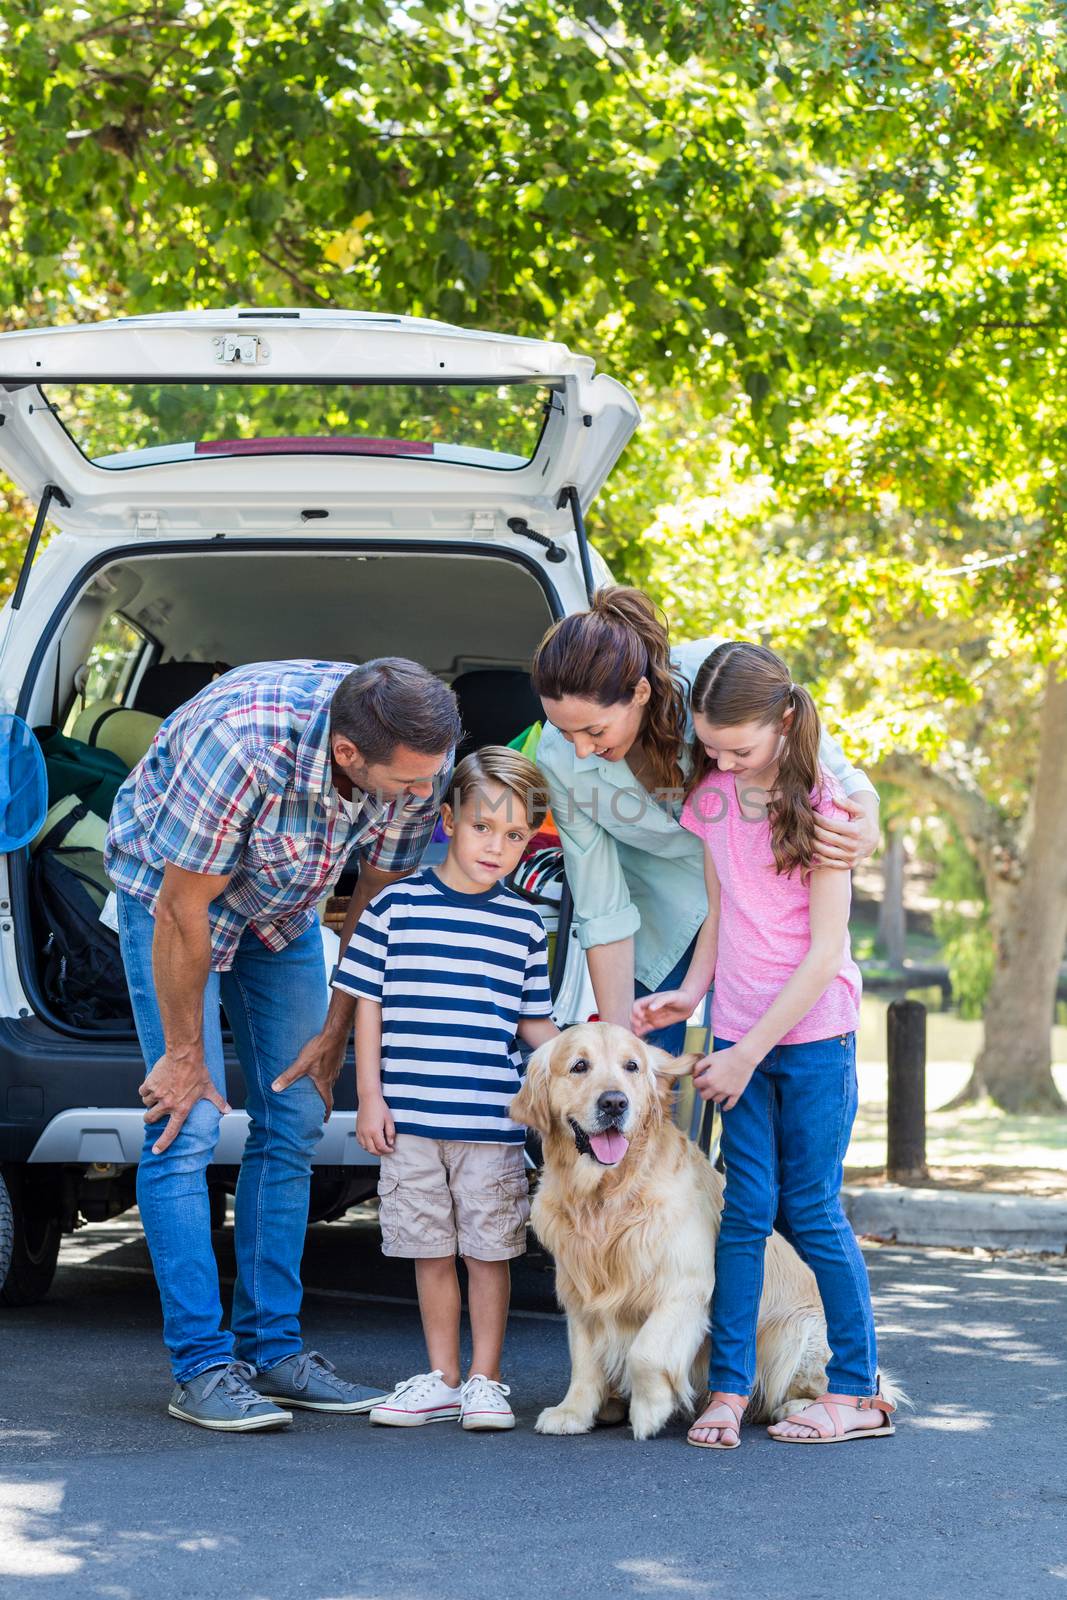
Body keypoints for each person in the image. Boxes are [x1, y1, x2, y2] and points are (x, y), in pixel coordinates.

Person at [105, 657, 461, 1432]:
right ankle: (200, 1368)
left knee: (296, 1117)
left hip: (287, 908)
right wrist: (186, 1053)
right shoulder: (240, 744)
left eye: (425, 780)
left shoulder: (418, 754)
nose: (420, 796)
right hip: (170, 897)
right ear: (346, 755)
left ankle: (275, 1352)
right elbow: (182, 908)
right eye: (404, 784)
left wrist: (337, 1026)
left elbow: (376, 893)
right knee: (186, 1120)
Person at [632, 641, 896, 1449]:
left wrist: (746, 1053)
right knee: (742, 1215)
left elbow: (824, 956)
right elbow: (722, 909)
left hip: (811, 1041)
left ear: (784, 721)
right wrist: (693, 990)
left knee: (809, 1210)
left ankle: (855, 1392)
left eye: (738, 748)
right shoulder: (711, 799)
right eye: (711, 748)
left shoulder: (826, 809)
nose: (722, 761)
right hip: (738, 1034)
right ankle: (729, 1389)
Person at [531, 588, 881, 1056]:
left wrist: (868, 817)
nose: (579, 748)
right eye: (563, 729)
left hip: (763, 905)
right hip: (662, 909)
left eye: (594, 730)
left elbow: (825, 761)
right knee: (640, 1063)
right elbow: (601, 902)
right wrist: (620, 1045)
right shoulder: (559, 759)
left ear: (639, 693)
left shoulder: (713, 675)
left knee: (762, 1063)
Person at [335, 747, 559, 1432]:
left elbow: (534, 1025)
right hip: (408, 1122)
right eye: (482, 828)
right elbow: (365, 1004)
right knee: (428, 1250)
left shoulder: (524, 922)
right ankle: (441, 1377)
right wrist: (369, 1097)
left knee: (489, 1255)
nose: (497, 847)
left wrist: (592, 1060)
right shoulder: (395, 906)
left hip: (491, 1125)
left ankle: (486, 1383)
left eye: (515, 835)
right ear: (447, 820)